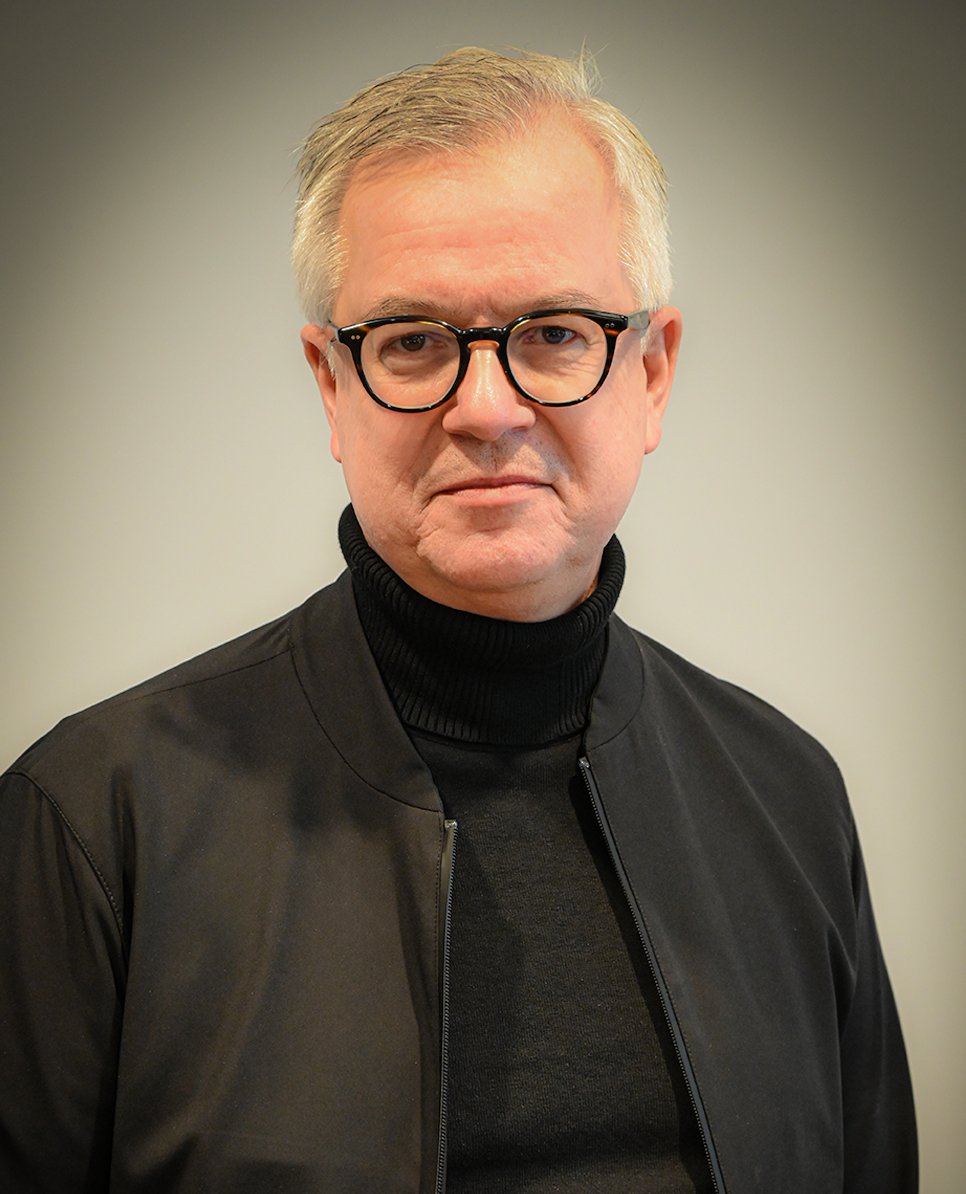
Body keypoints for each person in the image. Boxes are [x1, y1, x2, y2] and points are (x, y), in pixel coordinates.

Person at [0, 47, 916, 1194]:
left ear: (653, 373)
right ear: (332, 386)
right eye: (413, 341)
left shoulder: (790, 800)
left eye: (555, 332)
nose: (486, 410)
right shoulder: (92, 824)